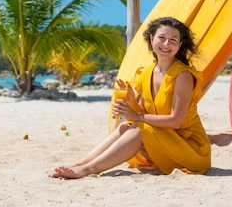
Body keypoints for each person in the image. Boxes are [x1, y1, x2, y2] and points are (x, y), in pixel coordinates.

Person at [49, 16, 211, 178]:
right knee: (126, 125)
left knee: (138, 128)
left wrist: (137, 115)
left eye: (173, 40)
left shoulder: (183, 76)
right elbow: (142, 115)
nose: (166, 44)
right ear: (151, 38)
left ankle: (89, 169)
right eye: (162, 38)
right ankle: (81, 163)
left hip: (190, 149)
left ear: (180, 45)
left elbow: (175, 120)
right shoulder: (146, 73)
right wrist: (132, 104)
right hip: (166, 140)